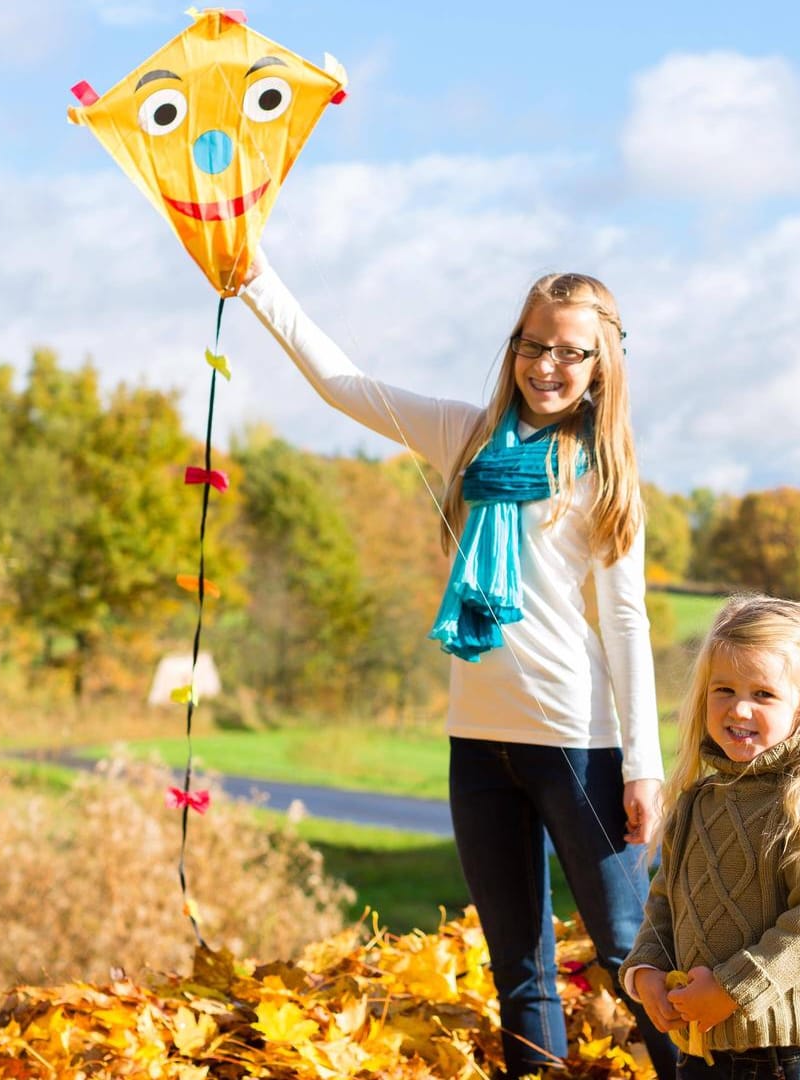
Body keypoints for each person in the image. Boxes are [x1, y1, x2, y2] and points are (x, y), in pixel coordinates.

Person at [238, 255, 677, 1076]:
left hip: (577, 741)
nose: (547, 365)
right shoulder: (465, 436)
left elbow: (625, 621)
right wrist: (255, 278)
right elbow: (343, 384)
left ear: (602, 365)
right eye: (533, 344)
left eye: (570, 352)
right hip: (476, 742)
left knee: (628, 953)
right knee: (518, 970)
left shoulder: (605, 475)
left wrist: (643, 767)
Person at [621, 595, 800, 1080]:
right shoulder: (698, 800)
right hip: (701, 1055)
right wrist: (645, 972)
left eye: (763, 694)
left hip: (793, 1056)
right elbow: (664, 905)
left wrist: (730, 989)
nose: (738, 707)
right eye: (723, 689)